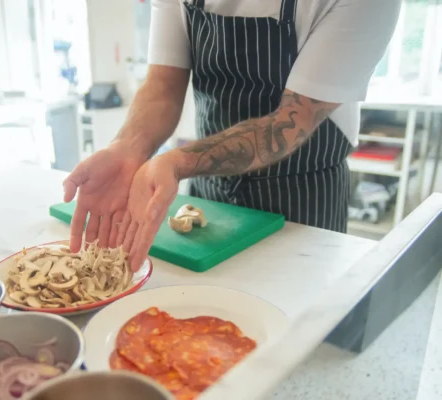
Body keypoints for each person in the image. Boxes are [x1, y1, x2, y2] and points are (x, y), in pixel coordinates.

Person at [64, 0, 401, 271]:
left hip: (303, 197)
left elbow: (290, 122)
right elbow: (163, 85)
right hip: (208, 187)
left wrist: (179, 162)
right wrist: (127, 148)